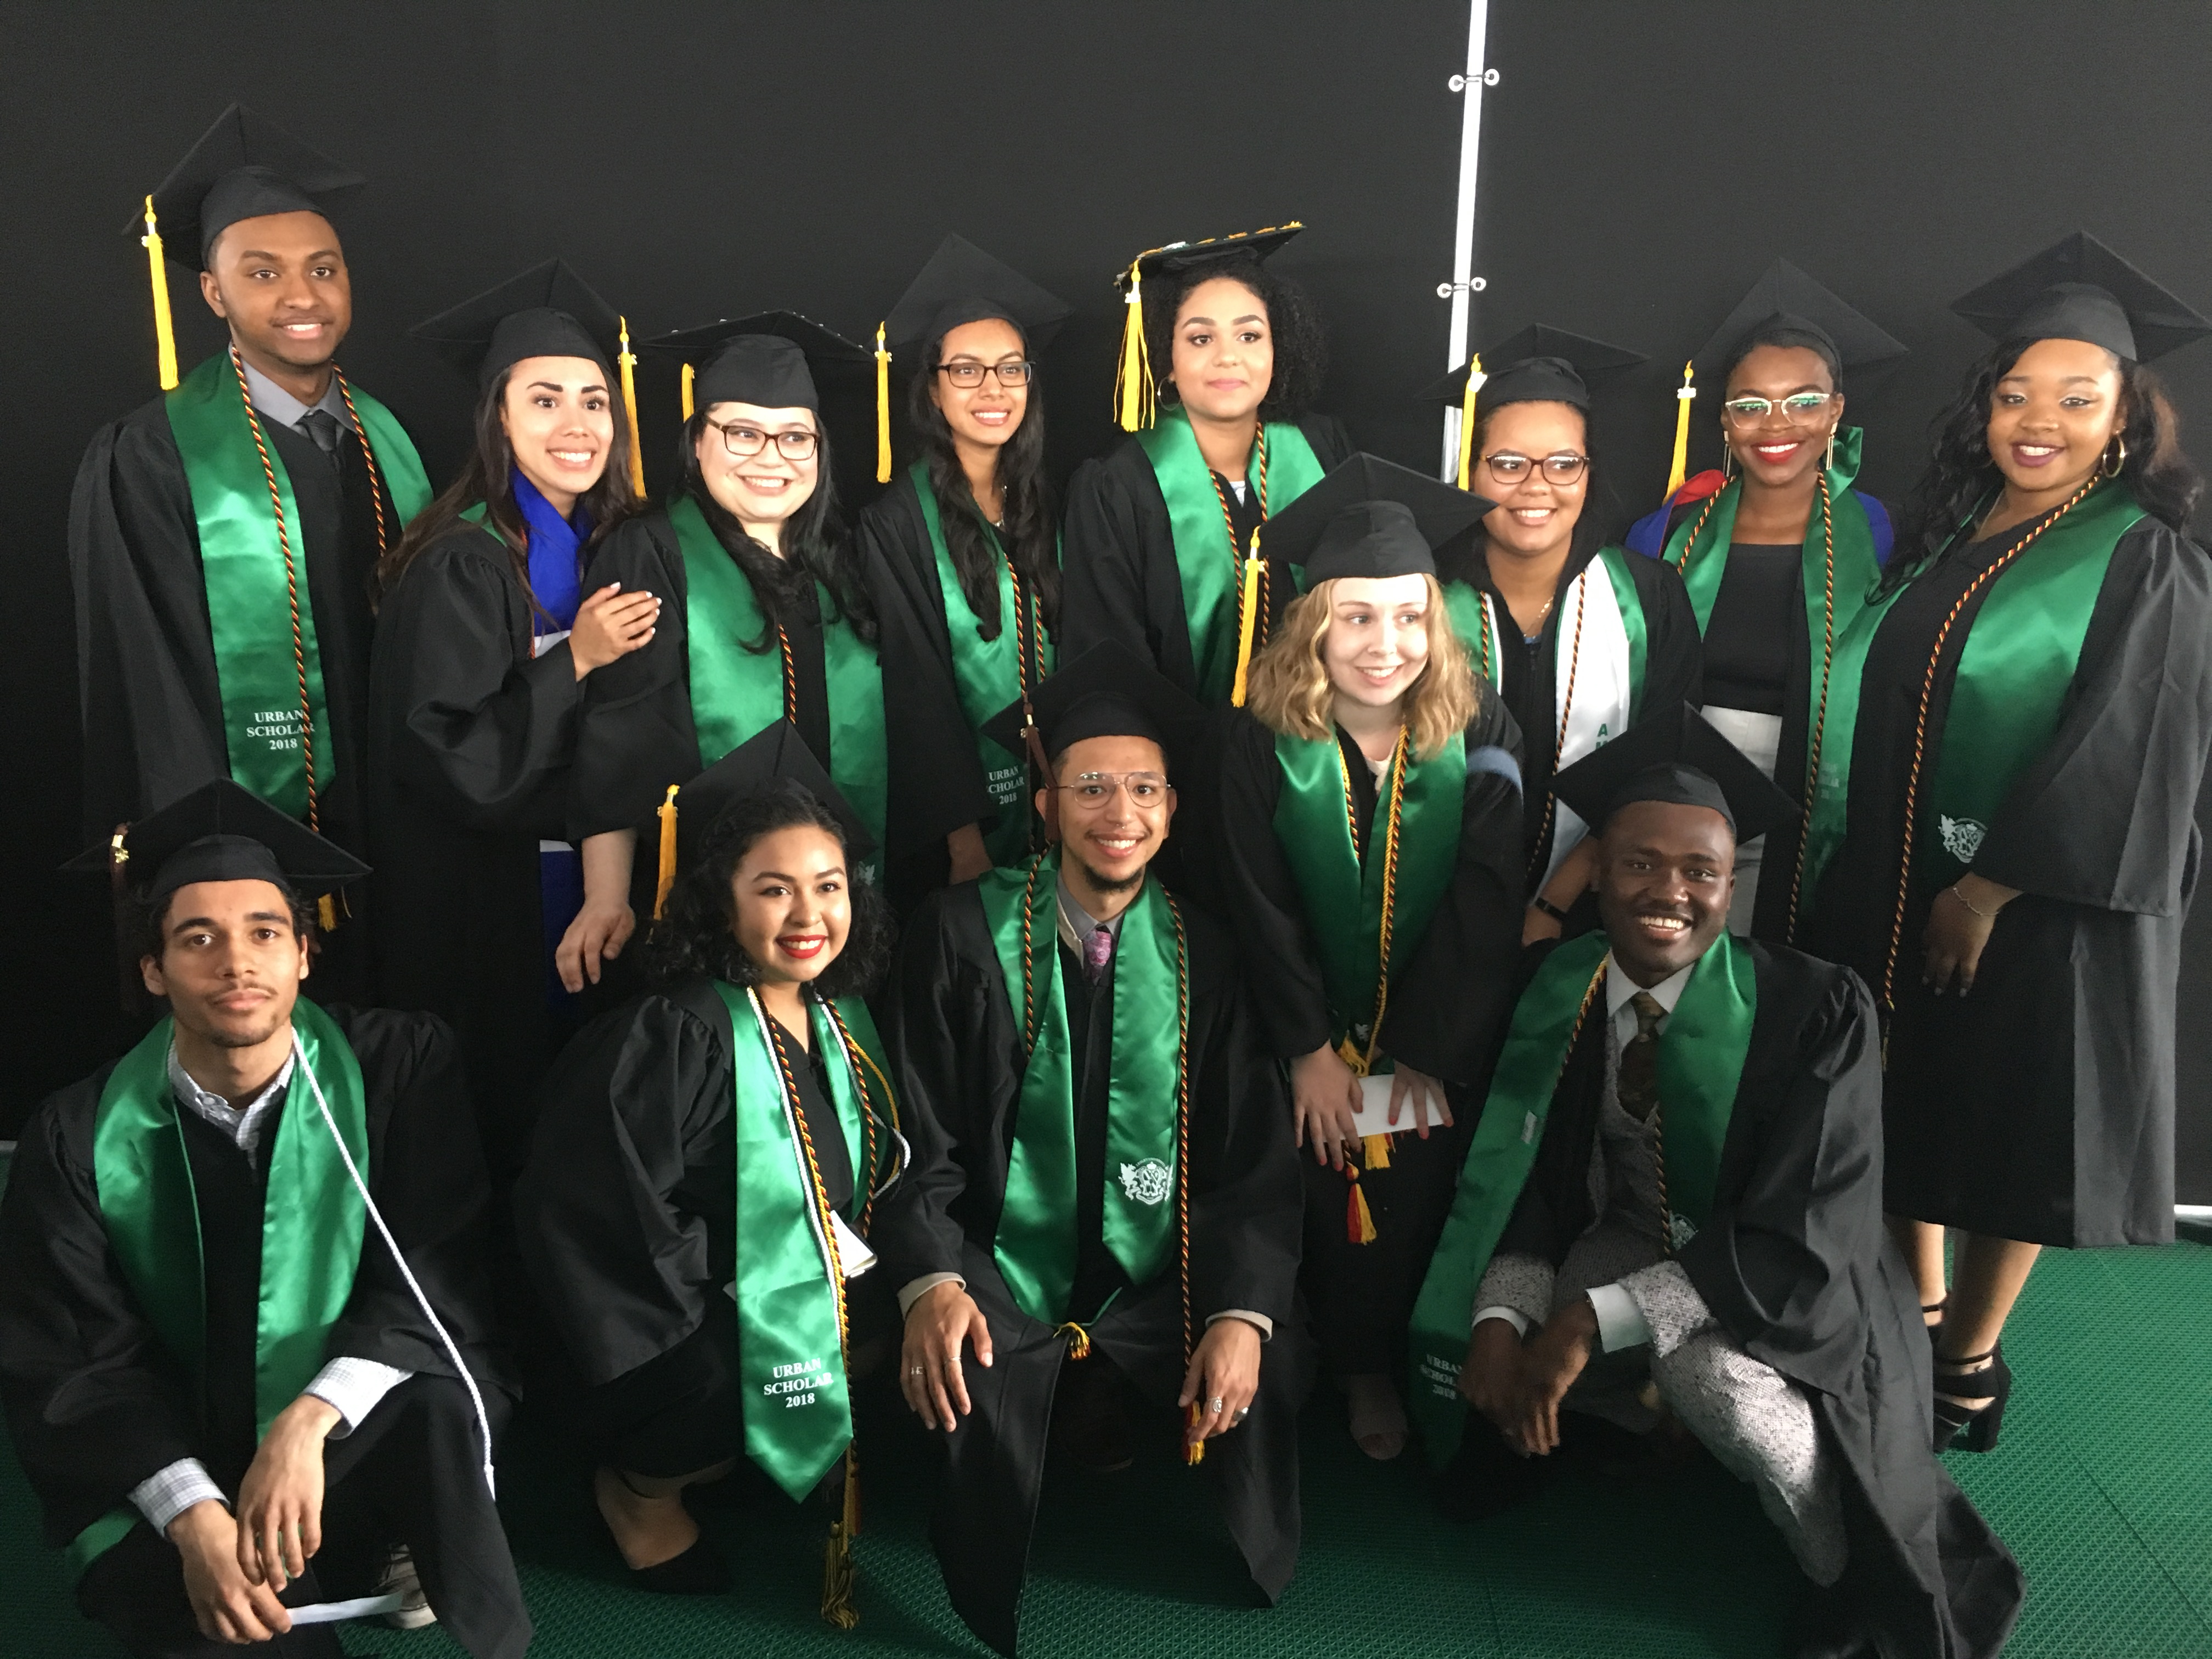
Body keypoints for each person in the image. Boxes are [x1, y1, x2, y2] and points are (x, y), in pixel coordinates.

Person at [1410, 710, 2025, 1659]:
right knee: (1509, 1332)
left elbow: (1804, 1227)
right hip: (1631, 1235)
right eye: (1637, 863)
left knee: (1709, 1377)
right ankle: (1649, 1421)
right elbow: (1523, 1171)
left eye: (1699, 870)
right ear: (1598, 871)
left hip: (1789, 1280)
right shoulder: (1560, 987)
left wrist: (1587, 1321)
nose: (1669, 892)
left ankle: (1832, 1559)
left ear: (1728, 880)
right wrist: (1501, 1320)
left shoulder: (1817, 1007)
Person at [1808, 232, 2212, 1452]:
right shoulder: (1955, 532)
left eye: (2077, 400)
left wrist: (1986, 888)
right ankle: (1917, 1309)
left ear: (2126, 419)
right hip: (1900, 880)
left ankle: (1970, 1359)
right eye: (2015, 393)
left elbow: (2133, 752)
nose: (2039, 421)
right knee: (1914, 1098)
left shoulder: (2144, 558)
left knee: (2016, 1122)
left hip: (2036, 906)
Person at [0, 781, 526, 1659]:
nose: (236, 962)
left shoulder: (398, 1068)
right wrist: (190, 1512)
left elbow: (436, 1263)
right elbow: (72, 1357)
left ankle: (379, 1536)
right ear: (153, 970)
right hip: (172, 1445)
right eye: (197, 938)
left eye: (265, 933)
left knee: (438, 1389)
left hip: (342, 1433)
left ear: (304, 957)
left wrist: (307, 1421)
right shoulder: (77, 1135)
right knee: (219, 1631)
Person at [875, 643, 1308, 1656]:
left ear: (1172, 806)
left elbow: (1251, 1153)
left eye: (1144, 787)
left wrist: (1241, 1313)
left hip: (1156, 1274)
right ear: (1046, 798)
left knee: (1274, 1359)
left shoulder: (1206, 948)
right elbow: (915, 1133)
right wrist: (933, 1278)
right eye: (1093, 785)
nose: (1121, 810)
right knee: (962, 1358)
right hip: (997, 1258)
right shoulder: (958, 933)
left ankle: (1108, 1389)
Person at [515, 725, 903, 1621]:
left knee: (887, 1319)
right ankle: (640, 1489)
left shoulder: (837, 1019)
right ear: (719, 902)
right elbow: (593, 1206)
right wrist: (734, 1291)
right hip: (680, 1308)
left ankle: (740, 1448)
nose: (809, 915)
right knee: (728, 1368)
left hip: (794, 1272)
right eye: (773, 889)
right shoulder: (676, 1032)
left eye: (829, 886)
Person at [69, 104, 432, 1003]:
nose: (302, 296)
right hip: (249, 842)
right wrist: (221, 856)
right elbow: (150, 685)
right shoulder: (150, 458)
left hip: (399, 829)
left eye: (323, 268)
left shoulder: (386, 439)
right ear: (212, 293)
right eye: (261, 272)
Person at [1209, 454, 1525, 1462]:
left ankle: (1379, 1359)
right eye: (1354, 617)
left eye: (1404, 616)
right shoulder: (1257, 741)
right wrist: (1308, 1046)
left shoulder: (1478, 728)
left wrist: (1421, 1050)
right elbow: (1254, 904)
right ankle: (1312, 1353)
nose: (1382, 645)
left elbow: (1485, 900)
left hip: (1432, 1030)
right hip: (1287, 1023)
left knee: (1412, 1182)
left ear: (1433, 621)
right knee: (1293, 1166)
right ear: (1312, 623)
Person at [367, 259, 651, 1172]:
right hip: (488, 904)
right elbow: (445, 751)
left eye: (594, 400)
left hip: (592, 880)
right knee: (508, 1110)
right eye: (544, 400)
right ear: (498, 417)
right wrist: (575, 657)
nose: (576, 425)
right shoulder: (464, 562)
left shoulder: (611, 546)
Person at [571, 312, 987, 918]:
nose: (772, 458)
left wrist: (961, 841)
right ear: (696, 441)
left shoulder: (850, 563)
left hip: (846, 895)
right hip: (710, 893)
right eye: (743, 432)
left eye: (795, 437)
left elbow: (918, 704)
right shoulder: (651, 553)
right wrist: (606, 898)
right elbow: (622, 733)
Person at [1624, 262, 1908, 940]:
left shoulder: (1882, 534)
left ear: (1837, 410)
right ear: (1725, 420)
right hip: (1683, 791)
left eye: (1804, 400)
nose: (1776, 424)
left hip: (1814, 792)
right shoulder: (1668, 532)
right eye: (1751, 405)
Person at [1418, 334, 1702, 934]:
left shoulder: (1649, 599)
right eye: (1508, 463)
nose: (1536, 486)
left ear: (1588, 471)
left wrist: (1554, 905)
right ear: (1470, 469)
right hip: (1428, 911)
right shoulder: (1419, 595)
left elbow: (1658, 768)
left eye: (1564, 463)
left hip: (1593, 911)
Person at [1060, 224, 1351, 704]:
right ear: (1165, 356)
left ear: (1278, 349)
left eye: (1250, 335)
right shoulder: (1117, 485)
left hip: (1318, 748)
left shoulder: (1322, 448)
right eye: (1200, 339)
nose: (1228, 358)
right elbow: (1112, 654)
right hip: (1187, 759)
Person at [858, 234, 1071, 872]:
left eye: (1011, 368)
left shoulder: (1051, 504)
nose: (993, 388)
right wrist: (963, 838)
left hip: (1067, 798)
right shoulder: (894, 524)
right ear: (932, 389)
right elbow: (915, 687)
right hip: (965, 830)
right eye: (966, 370)